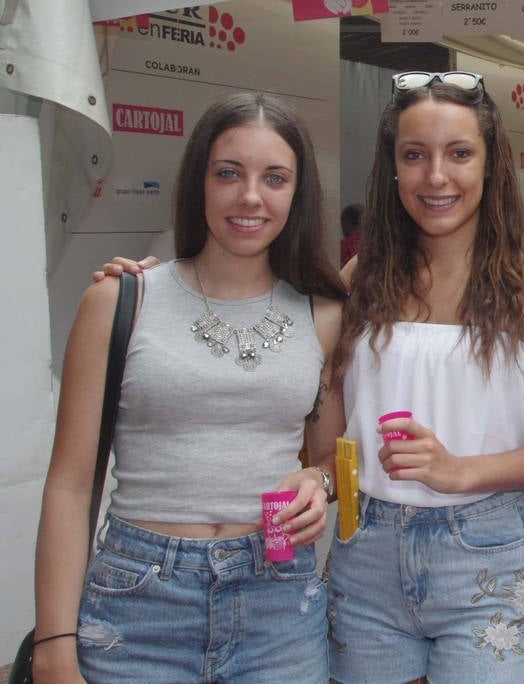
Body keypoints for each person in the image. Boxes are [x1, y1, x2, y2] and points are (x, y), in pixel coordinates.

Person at [35, 92, 345, 683]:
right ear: (199, 179)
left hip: (278, 601)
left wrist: (318, 481)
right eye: (228, 173)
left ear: (297, 194)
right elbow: (71, 486)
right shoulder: (119, 300)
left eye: (274, 178)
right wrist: (54, 641)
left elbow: (330, 457)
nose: (249, 196)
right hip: (138, 598)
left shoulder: (324, 314)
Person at [325, 71, 524, 683]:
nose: (435, 177)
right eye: (414, 155)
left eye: (459, 154)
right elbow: (323, 414)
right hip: (364, 550)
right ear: (392, 169)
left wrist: (460, 471)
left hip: (484, 549)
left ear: (492, 166)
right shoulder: (359, 278)